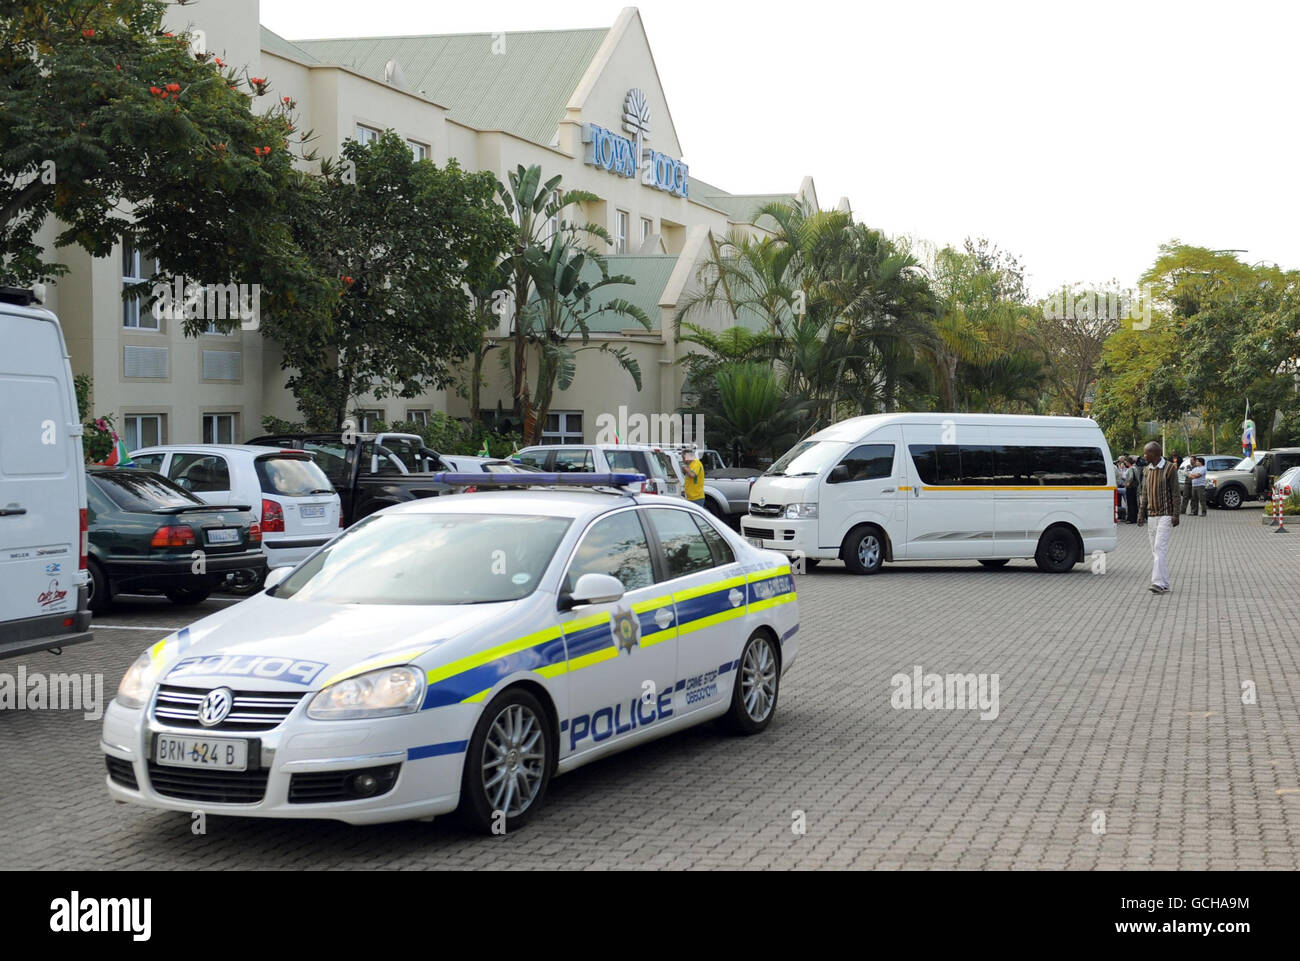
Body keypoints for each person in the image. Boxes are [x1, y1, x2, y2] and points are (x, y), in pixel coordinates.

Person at [1137, 441, 1180, 594]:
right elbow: (1145, 493)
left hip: (1165, 515)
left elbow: (1175, 493)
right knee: (1156, 552)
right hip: (1151, 515)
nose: (1144, 456)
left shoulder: (1170, 468)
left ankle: (1157, 582)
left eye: (1146, 453)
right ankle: (1165, 582)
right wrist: (1141, 513)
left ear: (1154, 454)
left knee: (1159, 547)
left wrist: (1176, 514)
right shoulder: (1147, 470)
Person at [1124, 456, 1140, 524]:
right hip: (1134, 488)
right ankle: (1135, 517)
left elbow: (1131, 477)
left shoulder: (1131, 469)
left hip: (1130, 488)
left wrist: (1127, 483)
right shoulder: (1135, 468)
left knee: (1130, 503)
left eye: (1126, 462)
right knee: (1134, 503)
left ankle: (1131, 518)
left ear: (1128, 462)